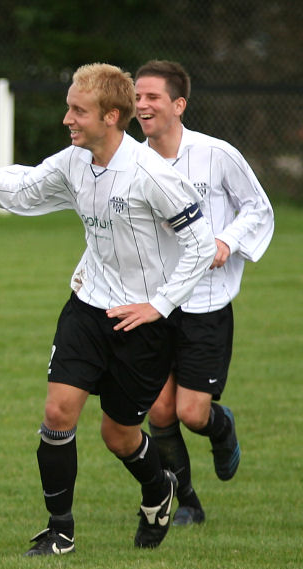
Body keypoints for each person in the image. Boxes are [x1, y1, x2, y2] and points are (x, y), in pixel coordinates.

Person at [0, 63, 217, 555]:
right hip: (88, 307)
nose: (67, 118)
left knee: (118, 435)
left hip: (143, 324)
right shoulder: (74, 161)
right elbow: (25, 191)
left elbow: (199, 243)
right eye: (69, 107)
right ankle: (60, 530)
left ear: (112, 116)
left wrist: (159, 305)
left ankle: (159, 489)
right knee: (57, 411)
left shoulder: (152, 174)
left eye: (77, 110)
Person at [133, 60, 274, 525]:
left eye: (152, 97)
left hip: (205, 304)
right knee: (158, 411)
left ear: (179, 104)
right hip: (156, 302)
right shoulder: (133, 160)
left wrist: (226, 241)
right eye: (137, 96)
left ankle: (221, 425)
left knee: (192, 414)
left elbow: (258, 208)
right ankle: (186, 502)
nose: (142, 104)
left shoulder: (216, 154)